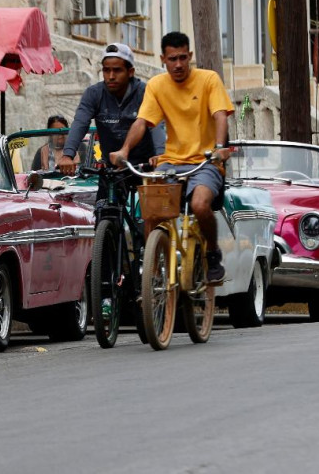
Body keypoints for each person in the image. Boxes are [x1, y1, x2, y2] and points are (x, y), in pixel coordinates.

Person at [108, 31, 234, 284]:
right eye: (172, 59)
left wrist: (219, 149)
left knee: (199, 205)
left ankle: (212, 253)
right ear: (162, 59)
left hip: (206, 161)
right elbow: (142, 122)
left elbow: (221, 115)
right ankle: (153, 275)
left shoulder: (209, 79)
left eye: (183, 58)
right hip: (171, 162)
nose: (178, 64)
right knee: (151, 211)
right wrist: (124, 151)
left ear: (190, 56)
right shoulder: (156, 85)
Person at [57, 42, 165, 176]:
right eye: (106, 70)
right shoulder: (94, 94)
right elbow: (80, 123)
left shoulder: (145, 92)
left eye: (117, 70)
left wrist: (160, 155)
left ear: (130, 72)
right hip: (111, 170)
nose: (111, 76)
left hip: (145, 169)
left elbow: (156, 125)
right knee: (103, 196)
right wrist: (68, 154)